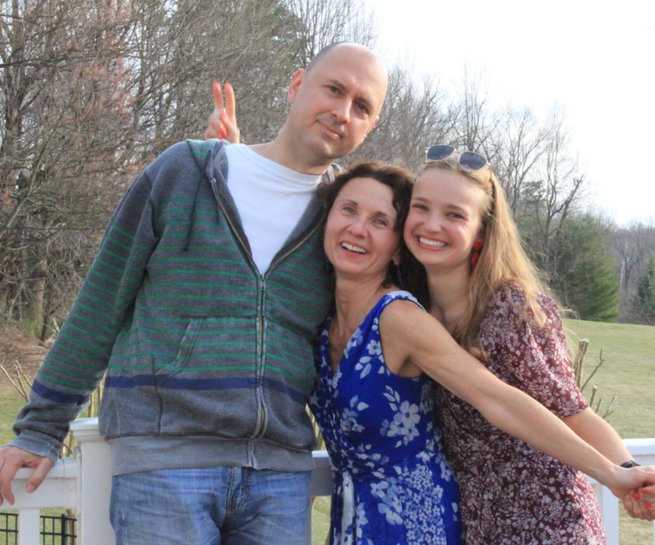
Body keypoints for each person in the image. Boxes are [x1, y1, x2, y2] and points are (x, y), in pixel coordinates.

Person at [0, 42, 388, 544]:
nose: (342, 112)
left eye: (362, 106)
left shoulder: (345, 223)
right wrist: (42, 426)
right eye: (333, 89)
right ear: (296, 85)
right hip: (165, 462)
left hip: (281, 478)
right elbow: (101, 303)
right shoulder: (185, 172)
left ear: (370, 126)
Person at [310, 160, 655, 545]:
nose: (432, 225)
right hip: (470, 517)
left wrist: (620, 470)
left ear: (481, 232)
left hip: (543, 516)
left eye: (453, 215)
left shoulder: (499, 308)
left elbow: (559, 409)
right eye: (422, 207)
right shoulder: (410, 307)